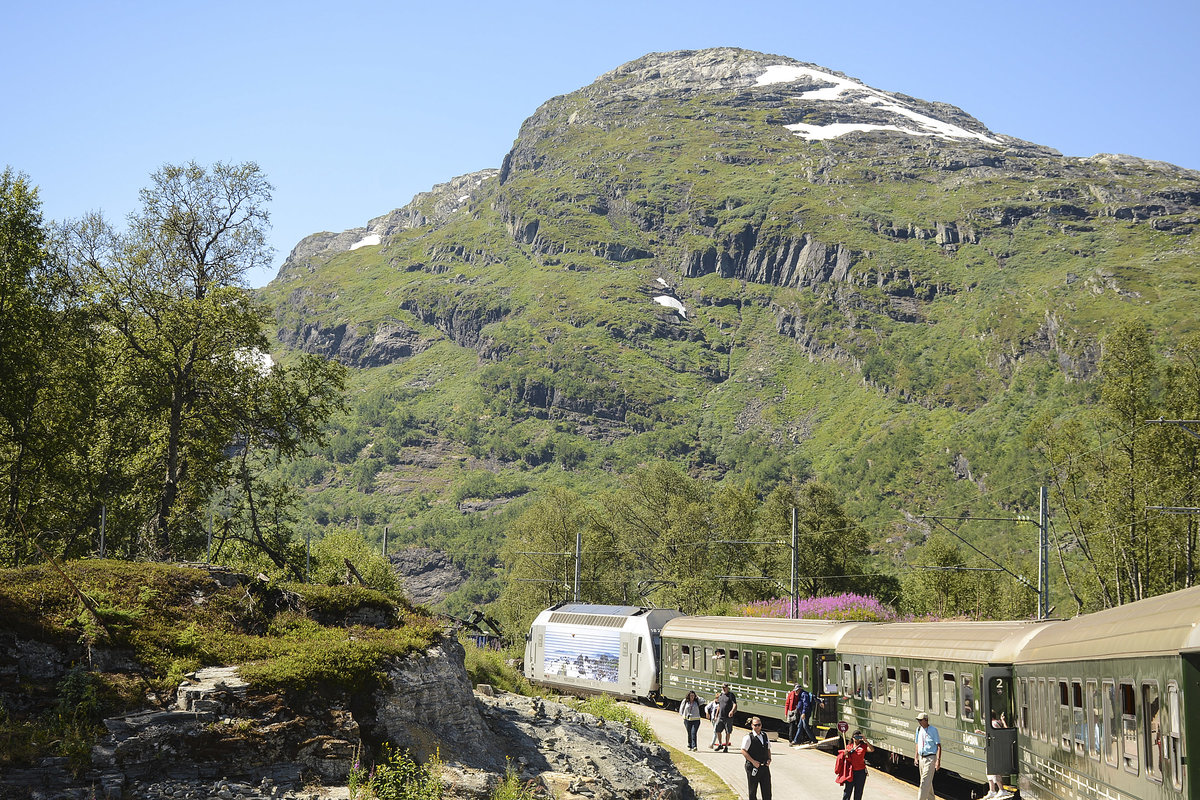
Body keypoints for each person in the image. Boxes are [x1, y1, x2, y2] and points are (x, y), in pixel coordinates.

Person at [740, 716, 772, 800]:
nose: (757, 727)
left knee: (767, 790)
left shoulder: (764, 735)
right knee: (753, 790)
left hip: (764, 767)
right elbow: (743, 751)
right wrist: (753, 762)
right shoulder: (748, 737)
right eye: (755, 725)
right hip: (753, 767)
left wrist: (769, 759)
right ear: (752, 726)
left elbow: (768, 748)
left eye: (759, 725)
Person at [840, 729, 874, 800]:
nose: (857, 739)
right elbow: (845, 758)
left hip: (861, 772)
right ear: (852, 738)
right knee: (848, 790)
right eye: (856, 737)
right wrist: (845, 754)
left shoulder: (863, 746)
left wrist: (866, 740)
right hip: (850, 772)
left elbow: (872, 749)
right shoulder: (849, 746)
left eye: (859, 737)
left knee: (859, 791)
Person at [915, 712, 941, 800]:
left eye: (920, 720)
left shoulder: (933, 730)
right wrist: (916, 757)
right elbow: (917, 744)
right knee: (928, 783)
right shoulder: (918, 729)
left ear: (926, 720)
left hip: (930, 758)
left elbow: (939, 746)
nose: (919, 722)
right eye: (918, 720)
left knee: (924, 782)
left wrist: (938, 760)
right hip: (921, 757)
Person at [714, 683, 738, 752]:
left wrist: (732, 711)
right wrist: (716, 715)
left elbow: (734, 704)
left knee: (728, 732)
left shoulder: (731, 695)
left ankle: (726, 746)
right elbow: (719, 706)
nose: (724, 689)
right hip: (720, 717)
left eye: (725, 687)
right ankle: (720, 744)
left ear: (727, 688)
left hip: (728, 717)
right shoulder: (721, 695)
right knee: (718, 731)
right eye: (723, 687)